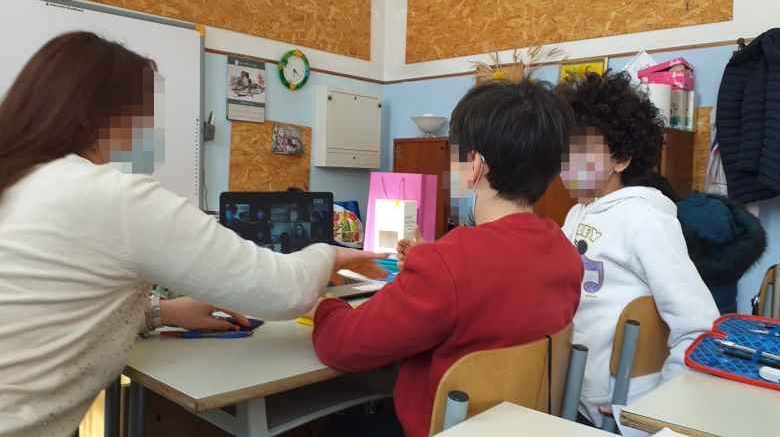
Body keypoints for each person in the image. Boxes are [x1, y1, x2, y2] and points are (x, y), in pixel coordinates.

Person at [0, 32, 385, 437]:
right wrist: (328, 253)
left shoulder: (19, 181)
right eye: (140, 112)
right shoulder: (114, 197)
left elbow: (49, 309)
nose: (147, 126)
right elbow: (285, 291)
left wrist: (161, 313)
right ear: (94, 116)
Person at [308, 79, 584, 437]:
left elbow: (343, 347)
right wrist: (431, 262)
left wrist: (323, 304)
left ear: (475, 165)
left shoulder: (449, 263)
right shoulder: (565, 253)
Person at [555, 71, 719, 426]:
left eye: (581, 151)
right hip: (573, 397)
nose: (567, 164)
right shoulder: (576, 213)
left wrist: (657, 405)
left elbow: (699, 326)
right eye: (564, 151)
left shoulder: (646, 219)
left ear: (622, 157)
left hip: (621, 411)